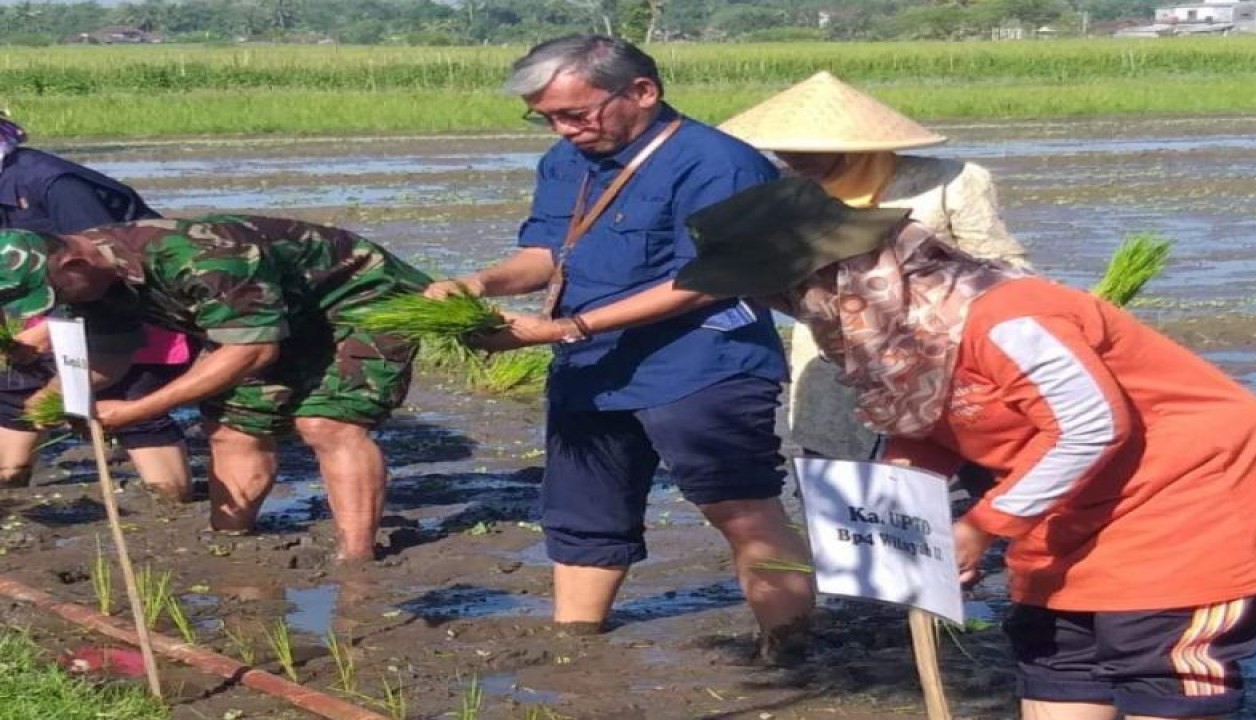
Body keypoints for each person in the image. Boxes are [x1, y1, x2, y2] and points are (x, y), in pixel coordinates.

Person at [675, 177, 1256, 720]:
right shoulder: (894, 335)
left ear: (833, 280)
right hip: (1067, 497)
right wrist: (903, 517)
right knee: (1055, 651)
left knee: (1156, 661)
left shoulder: (1008, 316)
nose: (783, 312)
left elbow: (1091, 427)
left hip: (1189, 493)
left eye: (783, 296)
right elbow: (930, 428)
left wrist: (980, 527)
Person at [424, 34, 814, 661]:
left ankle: (791, 654)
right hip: (594, 366)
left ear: (642, 92)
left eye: (576, 113)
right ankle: (577, 652)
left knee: (739, 507)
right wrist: (478, 283)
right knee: (583, 515)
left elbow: (705, 280)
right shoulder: (565, 160)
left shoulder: (721, 164)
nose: (564, 129)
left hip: (701, 363)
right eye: (547, 117)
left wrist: (565, 329)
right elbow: (546, 251)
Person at [0, 215, 429, 562]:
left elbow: (253, 352)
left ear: (73, 264)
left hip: (357, 300)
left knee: (326, 424)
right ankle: (230, 540)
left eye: (51, 294)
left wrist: (139, 410)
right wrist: (59, 397)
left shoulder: (202, 256)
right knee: (232, 428)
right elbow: (112, 352)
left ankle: (356, 559)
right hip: (265, 319)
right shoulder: (90, 282)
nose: (53, 306)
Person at [718, 71, 1028, 461]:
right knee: (836, 476)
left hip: (941, 355)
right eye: (783, 150)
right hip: (832, 358)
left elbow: (1004, 268)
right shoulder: (779, 194)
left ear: (857, 146)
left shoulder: (949, 181)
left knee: (939, 481)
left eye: (811, 150)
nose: (793, 158)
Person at [0, 113, 192, 500]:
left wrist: (43, 332)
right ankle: (10, 485)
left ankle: (173, 502)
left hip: (127, 301)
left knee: (129, 397)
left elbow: (105, 268)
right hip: (54, 299)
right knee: (14, 390)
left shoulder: (56, 185)